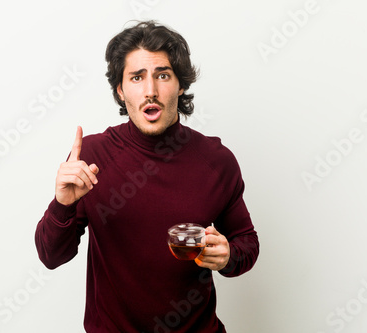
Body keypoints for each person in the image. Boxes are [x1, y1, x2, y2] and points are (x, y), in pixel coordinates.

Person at [35, 20, 259, 333]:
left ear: (180, 85)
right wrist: (62, 205)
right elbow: (51, 256)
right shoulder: (91, 157)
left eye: (162, 75)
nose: (150, 90)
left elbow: (246, 243)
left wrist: (229, 255)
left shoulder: (217, 161)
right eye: (137, 78)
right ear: (121, 90)